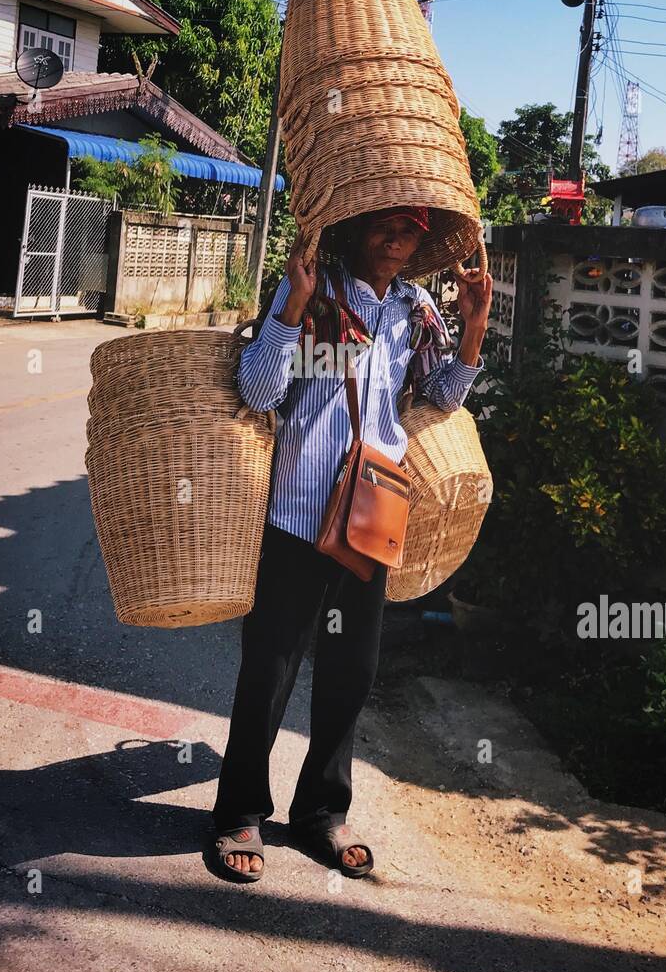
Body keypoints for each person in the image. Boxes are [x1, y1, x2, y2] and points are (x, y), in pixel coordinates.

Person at [210, 206, 493, 881]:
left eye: (412, 230)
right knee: (269, 670)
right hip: (297, 515)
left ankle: (320, 816)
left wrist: (475, 327)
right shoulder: (312, 287)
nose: (398, 239)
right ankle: (238, 814)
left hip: (372, 513)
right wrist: (292, 308)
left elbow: (440, 396)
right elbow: (258, 391)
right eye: (386, 225)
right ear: (356, 228)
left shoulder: (416, 309)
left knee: (351, 673)